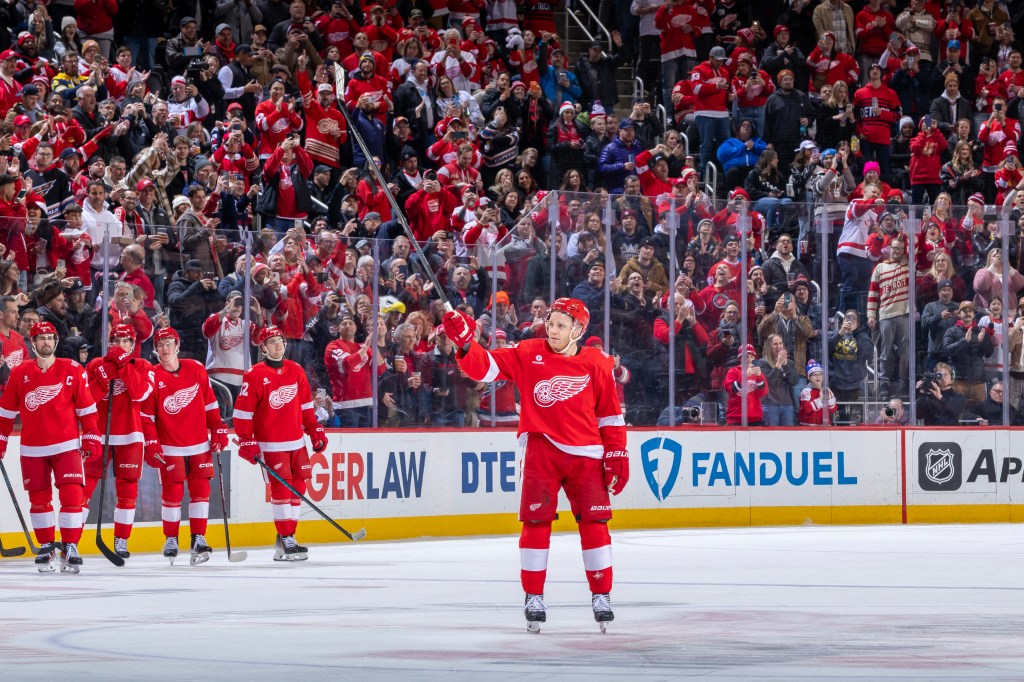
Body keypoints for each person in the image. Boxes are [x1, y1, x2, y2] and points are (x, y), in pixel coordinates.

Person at [442, 297, 627, 632]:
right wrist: (467, 342)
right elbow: (484, 368)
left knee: (595, 523)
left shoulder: (598, 363)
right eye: (550, 323)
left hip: (586, 455)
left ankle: (601, 595)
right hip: (542, 449)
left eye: (560, 325)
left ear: (578, 330)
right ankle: (533, 596)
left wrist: (616, 453)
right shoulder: (528, 352)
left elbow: (610, 416)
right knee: (536, 522)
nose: (552, 330)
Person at [0, 321, 101, 573]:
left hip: (66, 446)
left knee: (72, 497)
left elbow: (87, 410)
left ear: (55, 341)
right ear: (32, 343)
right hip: (33, 449)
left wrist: (91, 435)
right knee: (39, 499)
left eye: (49, 337)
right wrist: (1, 440)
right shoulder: (20, 372)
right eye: (40, 338)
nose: (45, 342)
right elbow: (5, 413)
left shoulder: (73, 369)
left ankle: (69, 545)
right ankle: (46, 546)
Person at [233, 325, 327, 561]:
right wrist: (247, 441)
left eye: (280, 340)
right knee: (282, 489)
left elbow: (306, 406)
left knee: (300, 487)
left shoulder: (295, 371)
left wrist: (315, 431)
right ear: (263, 347)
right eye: (272, 341)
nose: (277, 344)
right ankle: (287, 538)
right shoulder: (254, 374)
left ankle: (287, 536)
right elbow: (243, 412)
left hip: (296, 442)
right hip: (271, 444)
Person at [141, 327, 230, 566]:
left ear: (177, 345)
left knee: (201, 492)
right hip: (170, 447)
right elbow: (146, 417)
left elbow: (210, 404)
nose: (165, 348)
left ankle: (198, 538)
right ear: (155, 349)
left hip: (199, 443)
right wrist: (152, 443)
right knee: (173, 494)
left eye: (169, 343)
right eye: (160, 345)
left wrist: (218, 429)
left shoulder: (196, 368)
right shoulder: (152, 375)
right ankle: (171, 538)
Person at [83, 324, 152, 560]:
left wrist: (123, 365)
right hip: (98, 435)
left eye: (126, 341)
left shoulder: (142, 365)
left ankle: (121, 539)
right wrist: (102, 380)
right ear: (109, 343)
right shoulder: (94, 365)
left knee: (128, 490)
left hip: (130, 434)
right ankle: (71, 539)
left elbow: (140, 393)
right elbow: (85, 401)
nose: (121, 345)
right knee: (85, 486)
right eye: (116, 341)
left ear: (133, 345)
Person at [867, 237, 910, 400]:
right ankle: (884, 382)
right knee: (886, 352)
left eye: (900, 248)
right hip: (885, 314)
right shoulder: (880, 267)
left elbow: (913, 243)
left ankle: (902, 381)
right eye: (894, 248)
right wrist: (871, 315)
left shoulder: (907, 264)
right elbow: (873, 295)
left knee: (905, 351)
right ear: (889, 248)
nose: (897, 251)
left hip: (905, 314)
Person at [724, 343, 768, 425]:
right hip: (736, 417)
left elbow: (763, 393)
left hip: (754, 417)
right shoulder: (733, 371)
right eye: (746, 357)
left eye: (752, 357)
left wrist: (760, 377)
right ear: (740, 358)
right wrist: (744, 376)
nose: (749, 359)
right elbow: (731, 389)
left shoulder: (757, 373)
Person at [916, 361, 966, 426]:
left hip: (951, 432)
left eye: (945, 375)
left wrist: (941, 397)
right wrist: (921, 394)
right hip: (931, 433)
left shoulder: (958, 395)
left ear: (952, 376)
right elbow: (919, 415)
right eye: (939, 375)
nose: (943, 378)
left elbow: (955, 411)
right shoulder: (930, 395)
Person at [798, 360, 837, 426]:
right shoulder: (806, 391)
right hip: (809, 427)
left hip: (825, 427)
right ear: (809, 378)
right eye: (815, 375)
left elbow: (832, 410)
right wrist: (820, 399)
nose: (818, 377)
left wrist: (829, 399)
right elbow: (807, 409)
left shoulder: (827, 389)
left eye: (820, 374)